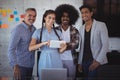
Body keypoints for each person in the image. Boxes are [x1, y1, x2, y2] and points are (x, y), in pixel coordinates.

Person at [29, 9, 64, 80]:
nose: (51, 20)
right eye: (49, 17)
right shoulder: (38, 32)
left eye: (53, 18)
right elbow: (30, 48)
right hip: (44, 59)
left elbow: (60, 51)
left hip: (57, 59)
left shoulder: (58, 32)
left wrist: (64, 47)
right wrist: (43, 43)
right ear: (44, 18)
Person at [78, 5, 109, 80]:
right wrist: (79, 63)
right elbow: (81, 47)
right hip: (84, 62)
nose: (84, 15)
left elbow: (105, 45)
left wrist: (97, 61)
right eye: (82, 13)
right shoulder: (81, 28)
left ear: (91, 13)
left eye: (86, 12)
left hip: (96, 61)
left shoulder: (101, 25)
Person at [8, 8, 37, 80]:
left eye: (34, 16)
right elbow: (11, 49)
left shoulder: (34, 29)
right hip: (20, 65)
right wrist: (15, 65)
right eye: (30, 15)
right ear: (24, 16)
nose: (32, 18)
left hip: (30, 65)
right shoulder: (18, 29)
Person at [55, 4, 79, 80]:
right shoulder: (55, 30)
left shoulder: (74, 30)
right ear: (60, 17)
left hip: (71, 60)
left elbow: (76, 44)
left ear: (71, 18)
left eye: (67, 16)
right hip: (58, 59)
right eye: (63, 16)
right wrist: (67, 45)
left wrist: (62, 46)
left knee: (71, 78)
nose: (65, 18)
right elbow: (53, 44)